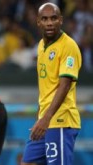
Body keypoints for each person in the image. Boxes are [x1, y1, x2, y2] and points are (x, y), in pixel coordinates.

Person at [21, 3, 82, 165]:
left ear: (60, 20)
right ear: (38, 22)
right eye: (45, 19)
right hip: (45, 120)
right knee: (27, 162)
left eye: (54, 18)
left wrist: (46, 118)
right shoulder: (41, 46)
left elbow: (65, 85)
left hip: (61, 119)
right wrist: (40, 117)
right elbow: (46, 86)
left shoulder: (68, 46)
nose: (49, 23)